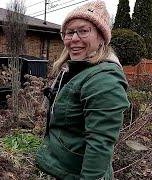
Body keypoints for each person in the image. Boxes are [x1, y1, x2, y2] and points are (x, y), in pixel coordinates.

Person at [35, 1, 130, 179]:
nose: (74, 38)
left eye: (83, 31)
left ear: (101, 37)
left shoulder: (104, 79)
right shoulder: (77, 70)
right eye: (69, 32)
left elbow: (99, 145)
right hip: (65, 170)